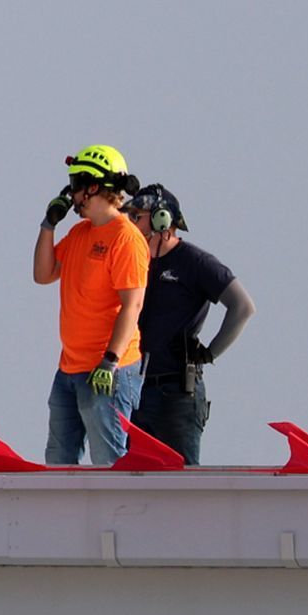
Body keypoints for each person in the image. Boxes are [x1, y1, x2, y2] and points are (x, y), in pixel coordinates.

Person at [125, 184, 256, 465]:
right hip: (133, 390)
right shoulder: (132, 261)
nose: (131, 223)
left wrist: (209, 353)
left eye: (138, 216)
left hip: (175, 394)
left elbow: (243, 306)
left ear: (162, 219)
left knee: (181, 488)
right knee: (130, 484)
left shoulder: (194, 262)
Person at [33, 144, 149, 464]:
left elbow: (132, 306)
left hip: (106, 370)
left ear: (93, 186)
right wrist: (48, 225)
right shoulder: (81, 232)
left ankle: (118, 516)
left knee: (108, 460)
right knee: (58, 459)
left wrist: (110, 362)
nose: (71, 194)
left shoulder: (125, 238)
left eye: (74, 185)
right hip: (70, 367)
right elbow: (43, 274)